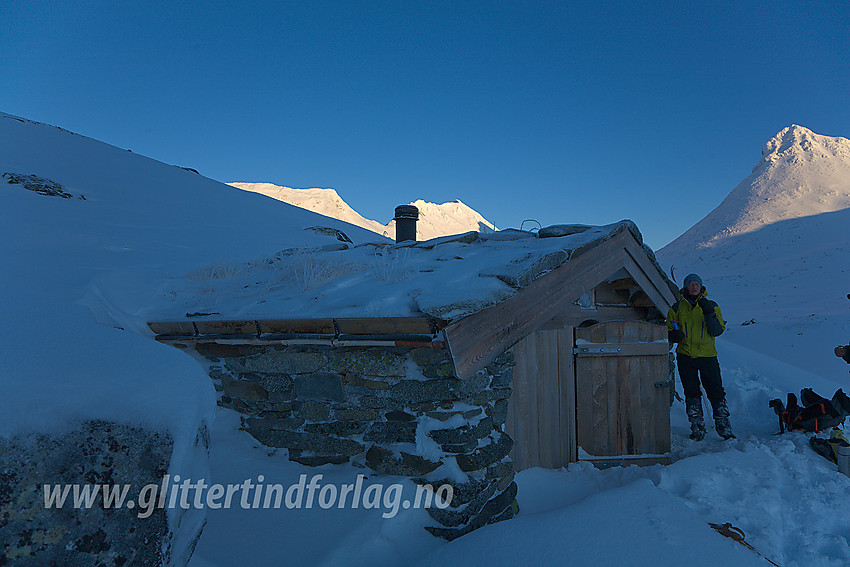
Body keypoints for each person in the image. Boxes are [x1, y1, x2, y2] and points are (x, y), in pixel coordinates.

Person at [667, 273, 734, 440]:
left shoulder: (712, 305)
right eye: (690, 284)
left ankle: (723, 426)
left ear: (701, 286)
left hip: (707, 356)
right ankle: (697, 427)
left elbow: (717, 331)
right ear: (685, 287)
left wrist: (709, 312)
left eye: (697, 283)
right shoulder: (676, 308)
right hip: (686, 356)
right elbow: (669, 328)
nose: (694, 286)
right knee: (691, 393)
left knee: (716, 391)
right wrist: (674, 335)